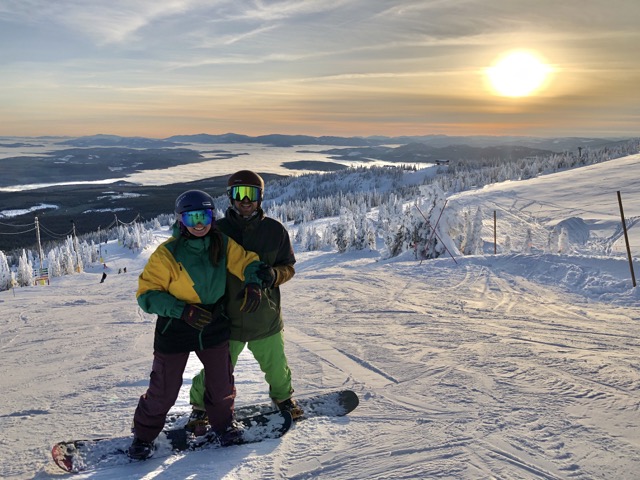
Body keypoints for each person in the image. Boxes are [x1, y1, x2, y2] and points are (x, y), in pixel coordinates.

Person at [129, 189, 265, 460]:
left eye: (204, 216)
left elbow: (247, 261)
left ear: (212, 217)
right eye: (192, 218)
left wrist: (253, 281)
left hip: (212, 322)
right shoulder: (167, 254)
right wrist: (181, 310)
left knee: (221, 382)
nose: (200, 224)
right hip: (175, 326)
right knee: (164, 390)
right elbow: (146, 296)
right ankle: (143, 436)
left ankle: (224, 426)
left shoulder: (221, 243)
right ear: (181, 220)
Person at [187, 170, 301, 432]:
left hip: (265, 318)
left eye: (252, 193)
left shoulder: (274, 231)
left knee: (276, 367)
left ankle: (284, 399)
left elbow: (289, 267)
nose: (245, 200)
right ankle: (200, 408)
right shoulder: (217, 232)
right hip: (227, 319)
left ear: (260, 197)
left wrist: (274, 275)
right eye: (239, 193)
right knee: (216, 371)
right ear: (230, 197)